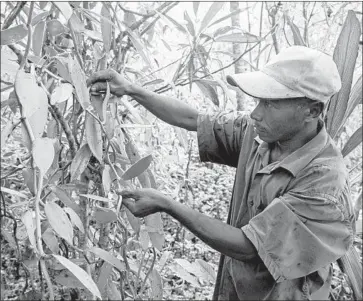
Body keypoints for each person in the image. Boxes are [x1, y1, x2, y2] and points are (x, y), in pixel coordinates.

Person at [87, 46, 355, 300]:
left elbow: (249, 247)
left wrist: (168, 205)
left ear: (313, 110)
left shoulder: (323, 184)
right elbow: (194, 120)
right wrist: (131, 90)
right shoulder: (261, 134)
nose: (256, 113)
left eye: (271, 104)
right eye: (259, 100)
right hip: (236, 287)